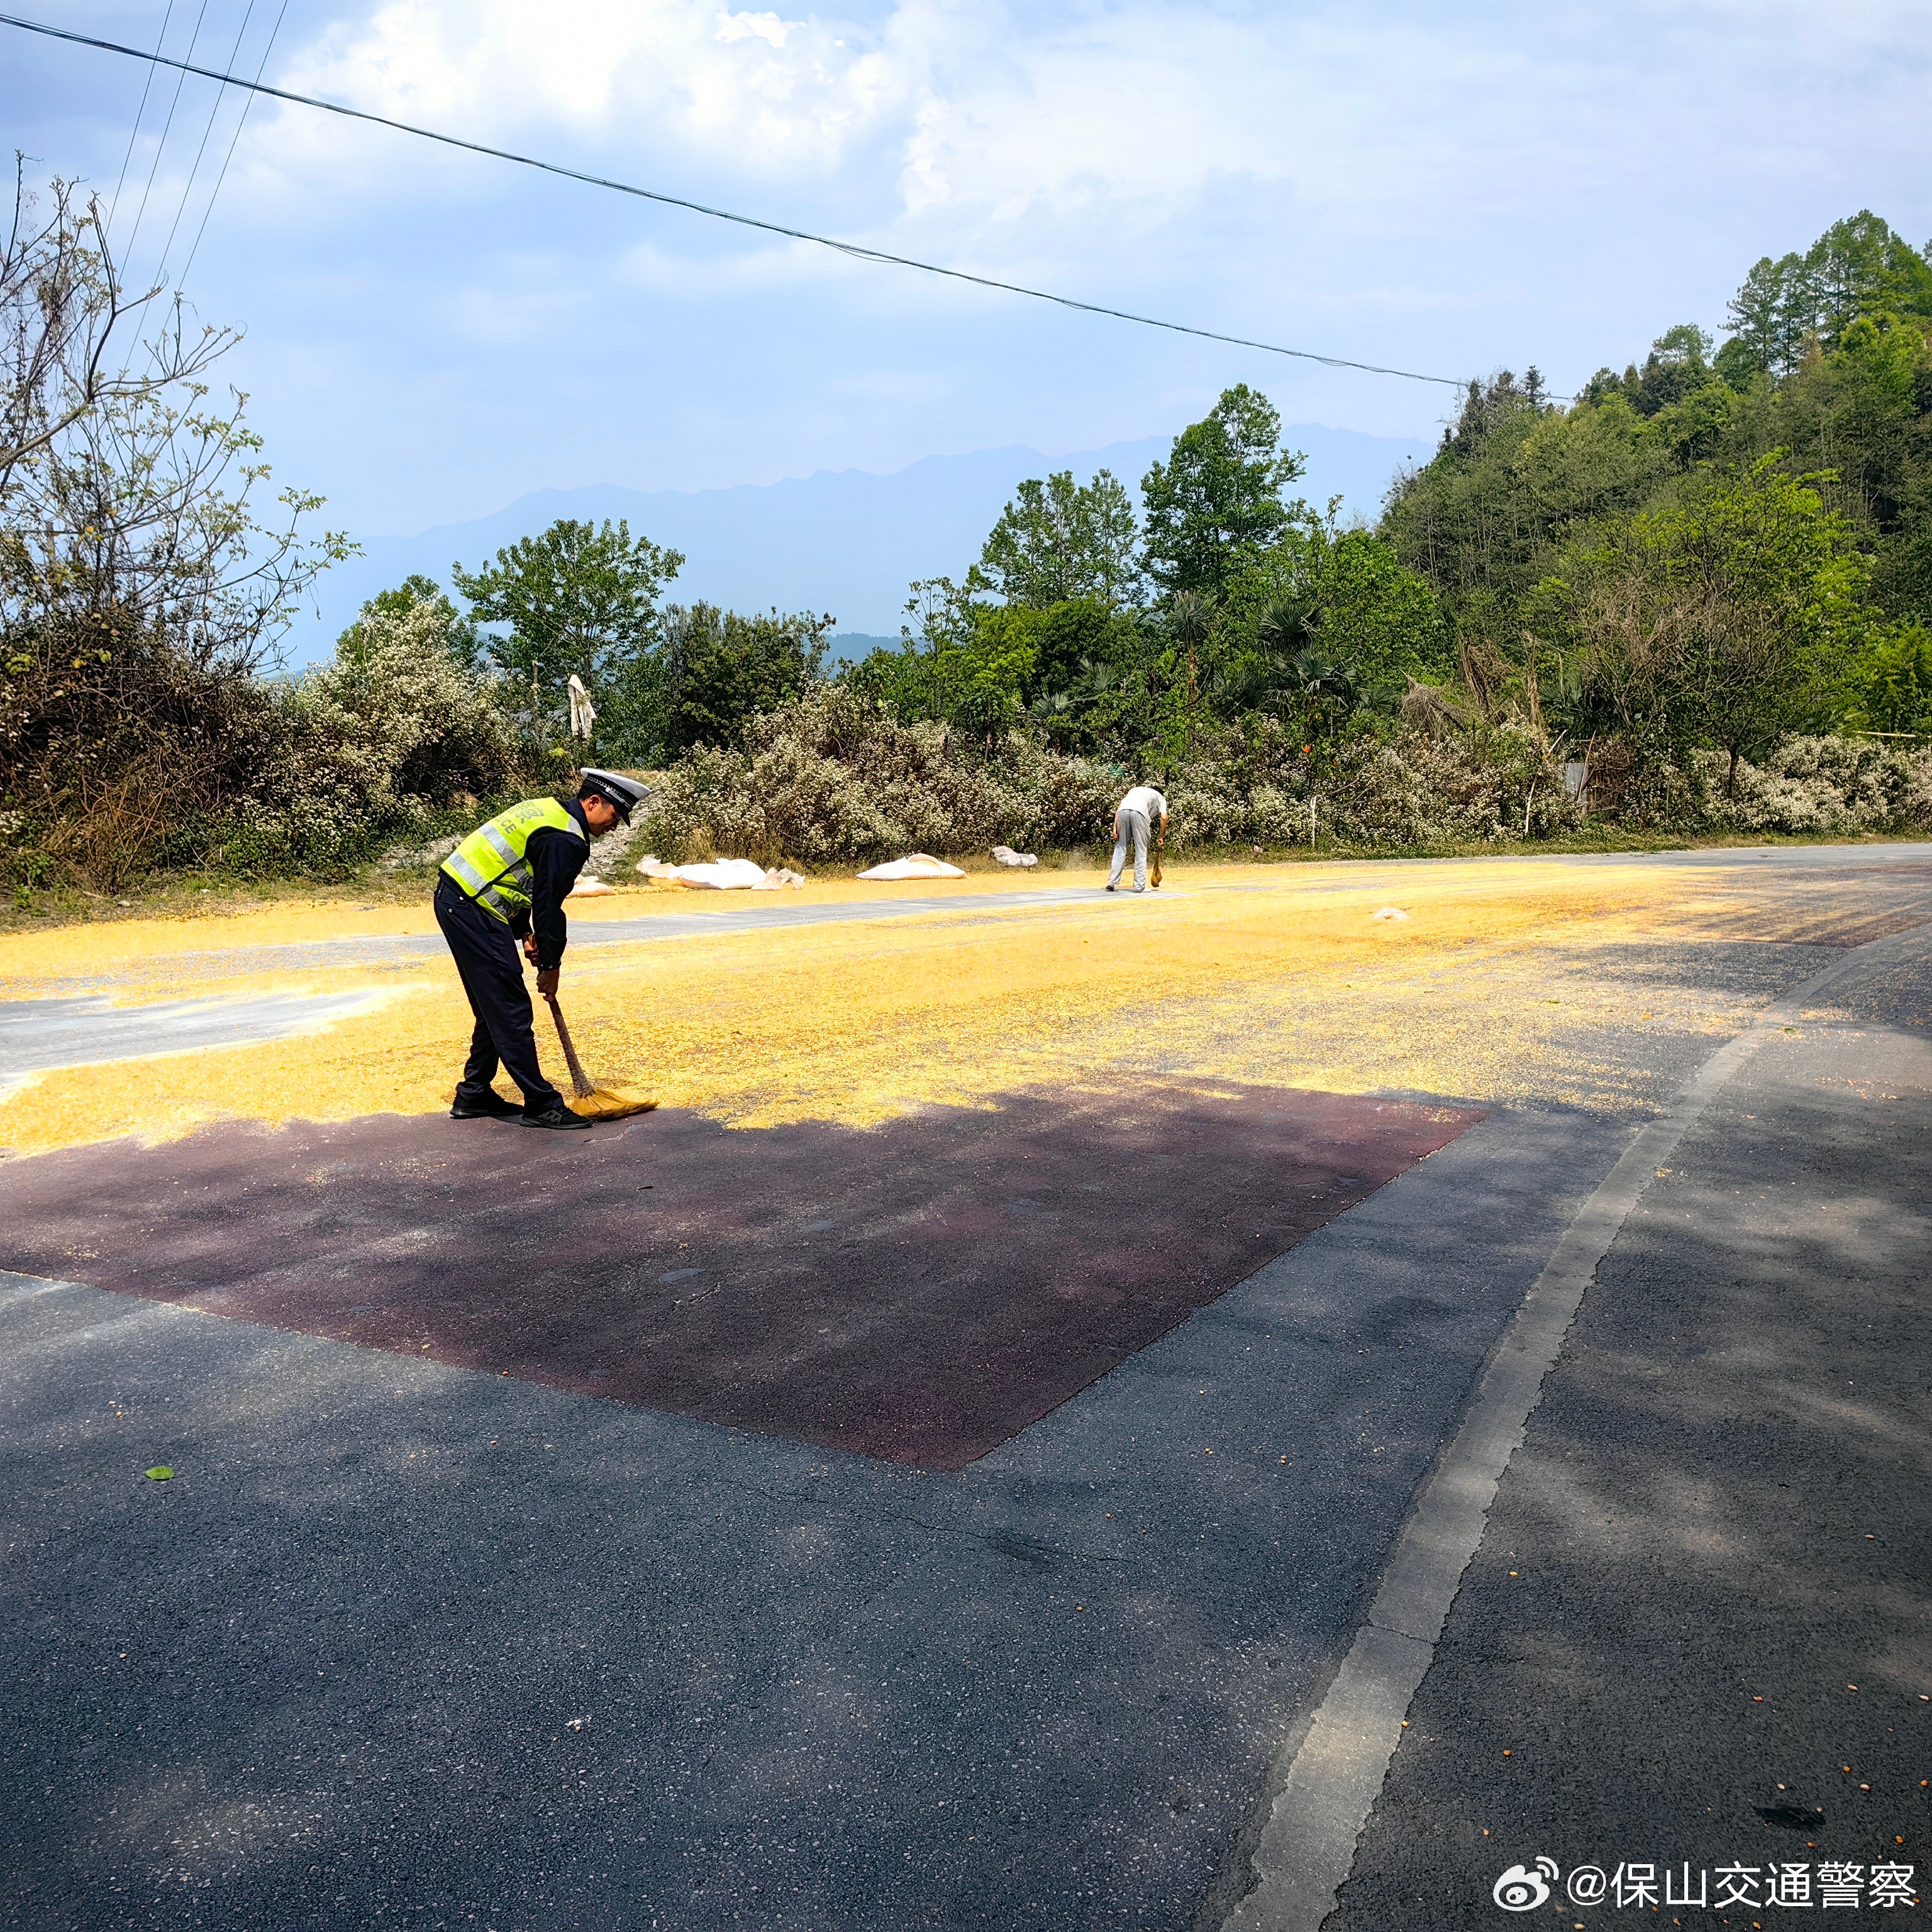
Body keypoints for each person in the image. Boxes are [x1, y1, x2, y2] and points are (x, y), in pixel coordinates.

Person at [434, 768, 648, 1128]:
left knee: (494, 1004)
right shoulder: (566, 839)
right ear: (594, 802)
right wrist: (551, 965)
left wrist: (524, 932)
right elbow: (548, 904)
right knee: (510, 1007)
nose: (615, 826)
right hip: (472, 907)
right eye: (615, 815)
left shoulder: (548, 810)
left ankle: (474, 1093)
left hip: (462, 899)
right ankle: (540, 1103)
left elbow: (514, 872)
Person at [1107, 782, 1169, 892]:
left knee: (1120, 847)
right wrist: (1161, 837)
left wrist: (1115, 827)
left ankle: (1112, 882)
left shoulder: (1135, 790)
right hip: (1140, 813)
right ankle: (1140, 886)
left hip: (1123, 813)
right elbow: (1164, 818)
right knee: (1141, 849)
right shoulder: (1161, 797)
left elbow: (1120, 808)